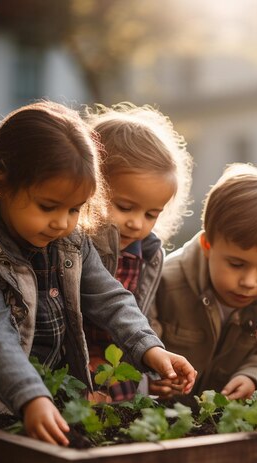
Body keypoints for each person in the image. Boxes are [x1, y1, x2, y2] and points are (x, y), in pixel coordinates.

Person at [0, 101, 196, 446]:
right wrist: (30, 397)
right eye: (48, 207)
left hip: (49, 395)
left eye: (74, 209)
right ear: (2, 182)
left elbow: (112, 300)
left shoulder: (71, 241)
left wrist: (151, 350)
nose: (62, 222)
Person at [149, 163, 257, 400]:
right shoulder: (166, 281)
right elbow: (145, 338)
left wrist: (251, 377)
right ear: (207, 246)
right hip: (161, 412)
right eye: (236, 264)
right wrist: (155, 377)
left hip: (222, 418)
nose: (249, 281)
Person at [82, 102, 193, 400]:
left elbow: (143, 314)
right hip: (76, 366)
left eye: (151, 214)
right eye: (124, 207)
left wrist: (150, 370)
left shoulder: (148, 254)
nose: (136, 223)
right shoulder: (75, 245)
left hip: (121, 367)